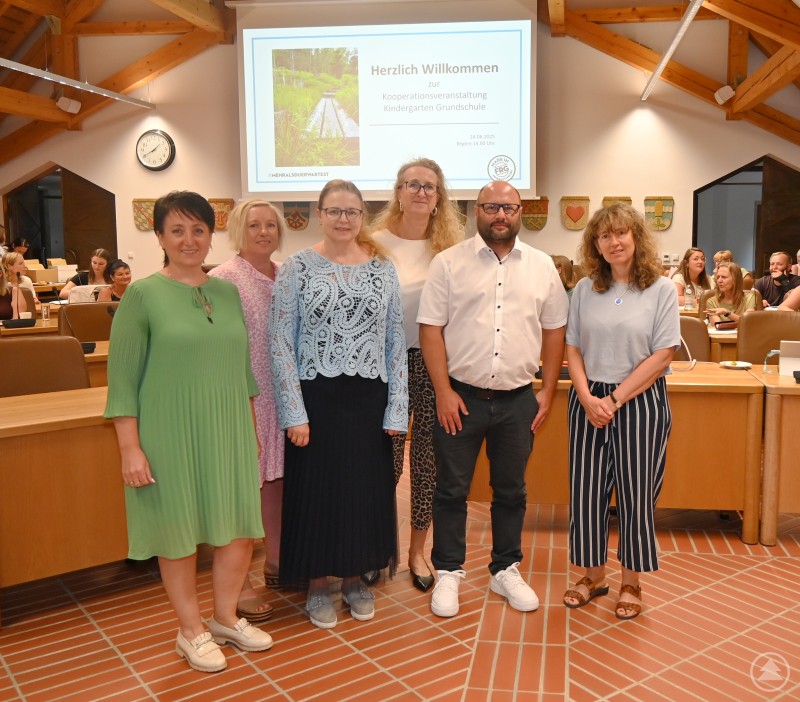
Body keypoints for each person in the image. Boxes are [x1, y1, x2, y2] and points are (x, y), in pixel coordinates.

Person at [104, 191, 272, 673]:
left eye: (198, 229)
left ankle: (223, 618)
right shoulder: (142, 294)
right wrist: (130, 448)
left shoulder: (225, 290)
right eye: (177, 230)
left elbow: (240, 370)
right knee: (177, 534)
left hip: (229, 428)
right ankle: (190, 630)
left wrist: (250, 430)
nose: (189, 239)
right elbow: (123, 382)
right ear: (159, 236)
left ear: (211, 234)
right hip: (168, 435)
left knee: (238, 528)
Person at [417, 180, 568, 618]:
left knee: (512, 490)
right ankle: (448, 572)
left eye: (509, 207)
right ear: (475, 211)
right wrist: (442, 391)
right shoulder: (448, 264)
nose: (500, 215)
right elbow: (431, 329)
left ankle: (506, 569)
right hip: (459, 399)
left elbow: (555, 329)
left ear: (520, 212)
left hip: (518, 400)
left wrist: (548, 390)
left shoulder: (542, 266)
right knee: (451, 489)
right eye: (490, 207)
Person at [270, 179, 407, 629]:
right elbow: (280, 343)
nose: (343, 219)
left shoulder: (382, 269)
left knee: (361, 492)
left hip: (368, 398)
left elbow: (394, 340)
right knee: (317, 492)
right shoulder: (297, 267)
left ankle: (353, 580)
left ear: (362, 217)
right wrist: (294, 411)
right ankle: (315, 587)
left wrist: (396, 408)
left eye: (352, 212)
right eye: (335, 211)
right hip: (316, 398)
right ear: (319, 213)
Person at [563, 203, 679, 620]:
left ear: (636, 238)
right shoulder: (584, 289)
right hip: (588, 398)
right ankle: (593, 575)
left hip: (639, 402)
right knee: (587, 493)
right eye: (604, 235)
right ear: (595, 244)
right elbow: (572, 347)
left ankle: (631, 580)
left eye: (621, 233)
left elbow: (664, 353)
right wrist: (586, 396)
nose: (614, 242)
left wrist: (614, 400)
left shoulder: (661, 289)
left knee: (635, 494)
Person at [369, 158, 464, 592]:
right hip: (381, 366)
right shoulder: (372, 243)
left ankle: (417, 553)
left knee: (427, 461)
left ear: (439, 196)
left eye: (429, 186)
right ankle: (375, 548)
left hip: (432, 364)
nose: (421, 192)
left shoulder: (451, 249)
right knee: (381, 463)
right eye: (413, 184)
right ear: (399, 192)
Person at [209, 199, 286, 621]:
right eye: (254, 224)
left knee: (275, 481)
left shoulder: (286, 274)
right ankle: (240, 583)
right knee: (244, 490)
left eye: (270, 225)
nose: (263, 232)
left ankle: (274, 560)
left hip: (283, 396)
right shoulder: (224, 279)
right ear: (238, 230)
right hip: (247, 396)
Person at [705, 261, 758, 326]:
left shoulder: (749, 297)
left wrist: (727, 313)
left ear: (735, 280)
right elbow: (718, 326)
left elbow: (748, 323)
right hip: (722, 336)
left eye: (724, 277)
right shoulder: (711, 301)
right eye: (718, 277)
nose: (719, 281)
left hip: (743, 335)